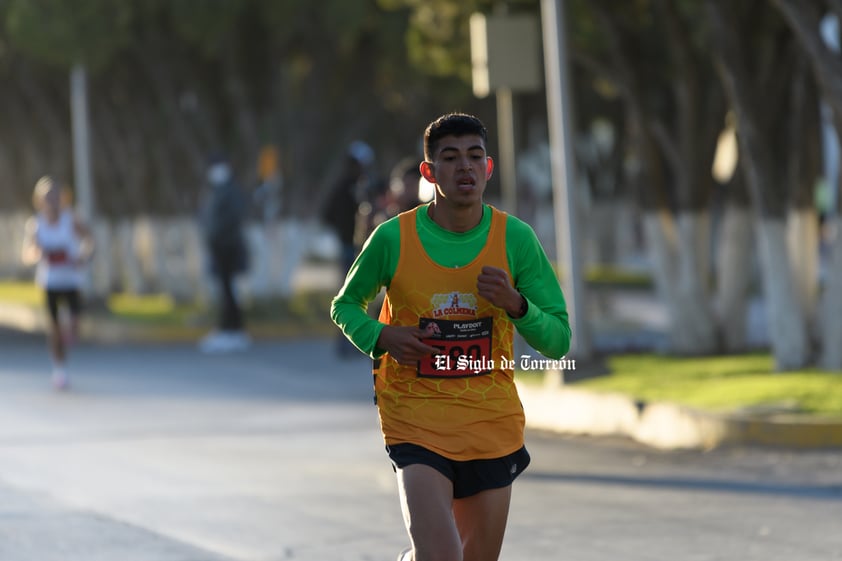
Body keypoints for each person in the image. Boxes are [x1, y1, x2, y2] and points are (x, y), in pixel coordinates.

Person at [331, 113, 571, 561]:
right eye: (451, 158)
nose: (465, 168)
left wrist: (516, 304)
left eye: (475, 157)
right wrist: (383, 338)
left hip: (490, 424)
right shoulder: (393, 238)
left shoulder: (515, 239)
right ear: (429, 172)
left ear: (489, 167)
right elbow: (344, 306)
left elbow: (558, 340)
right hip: (415, 419)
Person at [21, 176, 95, 390]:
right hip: (50, 282)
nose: (51, 200)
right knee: (54, 329)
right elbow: (27, 254)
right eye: (47, 197)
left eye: (55, 195)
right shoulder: (35, 224)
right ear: (39, 200)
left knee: (72, 325)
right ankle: (59, 370)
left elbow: (90, 241)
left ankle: (68, 333)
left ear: (61, 197)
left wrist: (83, 257)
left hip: (71, 280)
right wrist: (38, 253)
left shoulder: (71, 219)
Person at [323, 140, 376, 356]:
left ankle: (353, 343)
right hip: (349, 247)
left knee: (361, 296)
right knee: (351, 297)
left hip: (362, 247)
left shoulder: (365, 185)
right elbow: (327, 214)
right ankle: (347, 343)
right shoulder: (346, 186)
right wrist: (345, 231)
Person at [198, 154, 252, 353]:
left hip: (228, 248)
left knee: (229, 291)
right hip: (218, 247)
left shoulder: (231, 190)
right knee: (225, 291)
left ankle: (232, 331)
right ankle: (229, 330)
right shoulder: (215, 190)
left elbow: (232, 219)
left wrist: (219, 237)